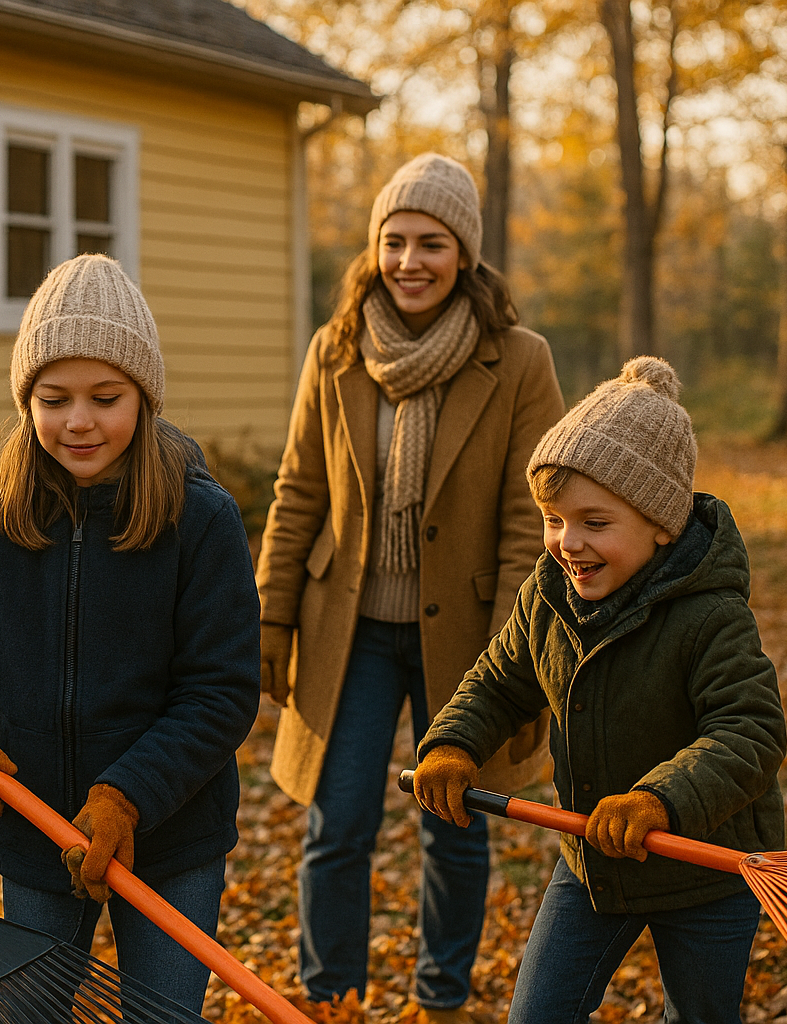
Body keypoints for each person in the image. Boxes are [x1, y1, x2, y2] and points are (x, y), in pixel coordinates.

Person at [0, 254, 260, 1013]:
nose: (79, 421)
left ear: (144, 399)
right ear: (26, 401)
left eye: (106, 398)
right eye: (54, 399)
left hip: (169, 840)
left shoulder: (201, 520)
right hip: (36, 834)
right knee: (30, 1013)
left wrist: (128, 797)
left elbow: (222, 690)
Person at [256, 153, 564, 1021]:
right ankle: (331, 1001)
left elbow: (529, 520)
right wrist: (271, 616)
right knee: (338, 825)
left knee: (454, 825)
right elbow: (298, 491)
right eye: (394, 241)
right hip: (346, 631)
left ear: (464, 253)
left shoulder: (520, 360)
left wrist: (515, 662)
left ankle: (442, 1000)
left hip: (467, 640)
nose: (409, 261)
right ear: (374, 249)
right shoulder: (336, 350)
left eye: (431, 243)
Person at [413, 356, 787, 1023]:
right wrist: (451, 745)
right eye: (553, 519)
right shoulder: (548, 598)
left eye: (594, 522)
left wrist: (657, 800)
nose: (567, 543)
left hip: (705, 866)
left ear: (662, 524)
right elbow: (498, 684)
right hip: (594, 860)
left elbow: (749, 732)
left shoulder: (711, 615)